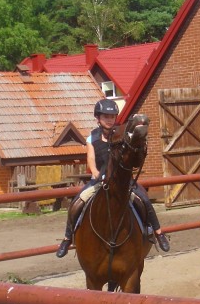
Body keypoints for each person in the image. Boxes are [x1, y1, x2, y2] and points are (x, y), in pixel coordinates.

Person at [56, 98, 170, 258]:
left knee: (143, 199)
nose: (110, 120)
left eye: (112, 116)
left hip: (123, 179)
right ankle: (67, 238)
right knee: (77, 202)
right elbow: (90, 159)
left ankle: (158, 233)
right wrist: (96, 174)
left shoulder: (120, 134)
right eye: (106, 117)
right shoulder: (92, 138)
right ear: (98, 118)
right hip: (100, 179)